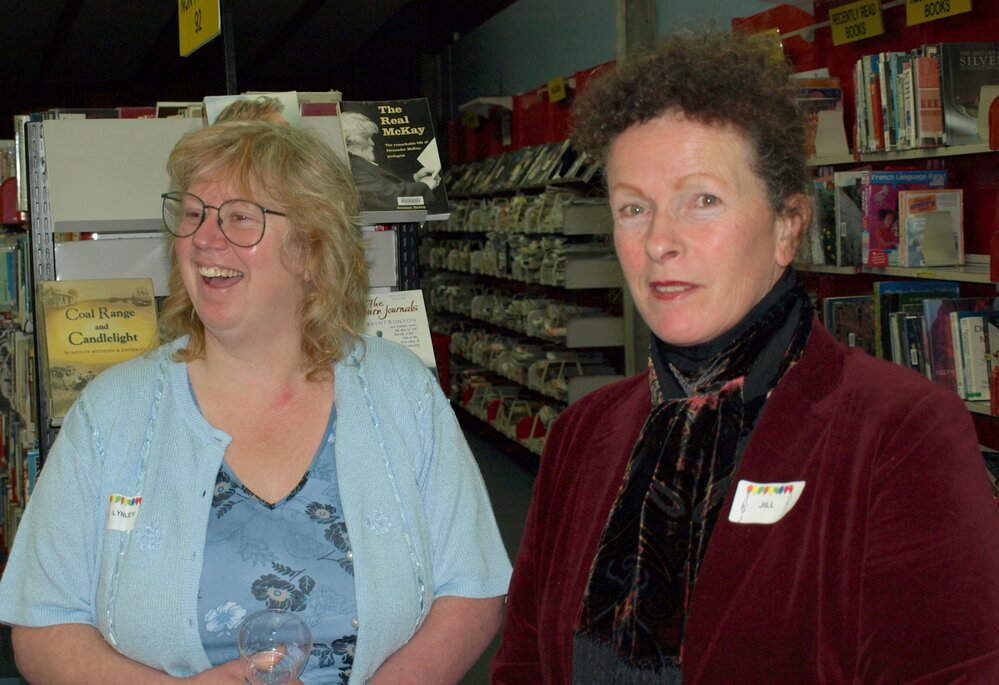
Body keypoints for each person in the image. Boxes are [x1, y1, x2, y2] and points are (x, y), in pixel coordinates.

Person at [491, 30, 999, 684]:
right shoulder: (581, 434)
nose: (658, 242)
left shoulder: (899, 435)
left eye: (701, 200)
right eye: (632, 207)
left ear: (786, 225)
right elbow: (524, 664)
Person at [0, 120, 511, 684]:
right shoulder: (112, 413)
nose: (203, 238)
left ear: (313, 251)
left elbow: (472, 587)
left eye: (240, 217)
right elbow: (44, 624)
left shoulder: (400, 392)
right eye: (192, 214)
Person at [339, 111, 440, 211]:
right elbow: (386, 194)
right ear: (352, 141)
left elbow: (382, 181)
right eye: (367, 138)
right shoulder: (351, 166)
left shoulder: (356, 162)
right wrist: (423, 186)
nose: (372, 143)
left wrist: (415, 177)